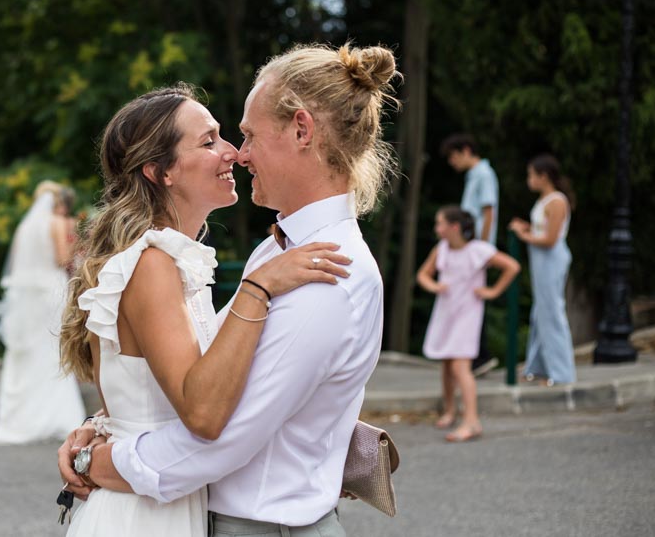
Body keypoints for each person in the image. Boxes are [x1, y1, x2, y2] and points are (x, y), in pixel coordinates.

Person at [60, 43, 400, 537]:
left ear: (302, 130)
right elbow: (197, 371)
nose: (238, 155)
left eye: (246, 136)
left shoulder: (328, 272)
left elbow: (219, 437)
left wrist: (95, 462)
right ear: (163, 173)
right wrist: (107, 424)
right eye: (217, 140)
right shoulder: (278, 255)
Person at [0, 180, 86, 445]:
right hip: (50, 293)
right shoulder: (56, 223)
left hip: (27, 298)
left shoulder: (23, 227)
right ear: (57, 202)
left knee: (27, 353)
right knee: (53, 347)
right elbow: (62, 259)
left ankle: (17, 419)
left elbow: (18, 266)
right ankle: (56, 415)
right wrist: (80, 256)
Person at [417, 206, 520, 443]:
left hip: (468, 312)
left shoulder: (478, 250)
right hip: (446, 311)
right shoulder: (441, 249)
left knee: (460, 366)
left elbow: (512, 266)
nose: (436, 229)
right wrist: (434, 286)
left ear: (454, 227)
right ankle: (450, 410)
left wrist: (493, 291)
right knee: (446, 362)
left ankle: (472, 420)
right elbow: (424, 274)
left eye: (440, 223)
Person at [508, 154, 577, 386]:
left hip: (551, 260)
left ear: (543, 176)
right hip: (540, 261)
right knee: (540, 313)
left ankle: (562, 372)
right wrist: (526, 227)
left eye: (531, 175)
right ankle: (537, 367)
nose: (529, 180)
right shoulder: (544, 200)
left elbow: (550, 239)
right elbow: (541, 229)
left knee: (553, 313)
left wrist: (522, 235)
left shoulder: (557, 201)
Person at [441, 133, 500, 377]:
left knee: (473, 300)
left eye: (454, 156)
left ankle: (479, 356)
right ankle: (474, 356)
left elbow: (488, 212)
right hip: (471, 246)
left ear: (466, 150)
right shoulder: (475, 175)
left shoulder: (483, 175)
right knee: (468, 299)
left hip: (475, 248)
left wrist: (481, 247)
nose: (452, 162)